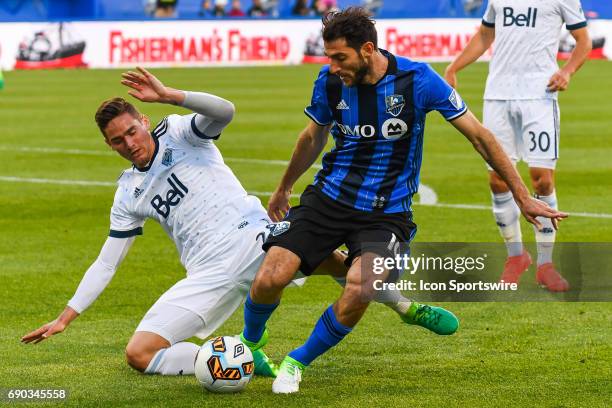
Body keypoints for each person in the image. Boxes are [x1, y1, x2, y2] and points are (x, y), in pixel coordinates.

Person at [20, 67, 435, 377]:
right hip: (207, 273)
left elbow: (226, 111)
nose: (129, 144)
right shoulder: (127, 193)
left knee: (327, 256)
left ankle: (404, 305)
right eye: (117, 141)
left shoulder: (181, 132)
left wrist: (170, 95)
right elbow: (107, 262)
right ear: (108, 145)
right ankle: (235, 358)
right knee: (139, 355)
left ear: (143, 121)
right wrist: (66, 316)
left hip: (252, 235)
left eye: (132, 131)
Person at [238, 7, 567, 394]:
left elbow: (479, 136)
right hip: (328, 198)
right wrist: (283, 187)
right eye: (329, 58)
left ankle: (297, 361)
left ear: (366, 49)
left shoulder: (418, 80)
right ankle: (252, 345)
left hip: (386, 213)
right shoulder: (329, 83)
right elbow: (312, 136)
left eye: (340, 58)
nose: (333, 67)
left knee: (361, 286)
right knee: (271, 276)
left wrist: (523, 196)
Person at [444, 0, 591, 291]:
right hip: (497, 95)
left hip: (539, 94)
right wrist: (453, 66)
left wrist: (568, 71)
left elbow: (583, 40)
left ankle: (546, 264)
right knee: (498, 179)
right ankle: (516, 257)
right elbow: (486, 34)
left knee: (542, 179)